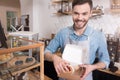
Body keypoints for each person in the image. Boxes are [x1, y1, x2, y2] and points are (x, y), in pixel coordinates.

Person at [44, 0, 110, 80]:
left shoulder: (98, 36)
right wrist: (54, 57)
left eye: (84, 14)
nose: (79, 18)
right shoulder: (63, 33)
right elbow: (46, 52)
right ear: (72, 12)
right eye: (76, 13)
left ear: (90, 13)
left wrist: (93, 67)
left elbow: (105, 61)